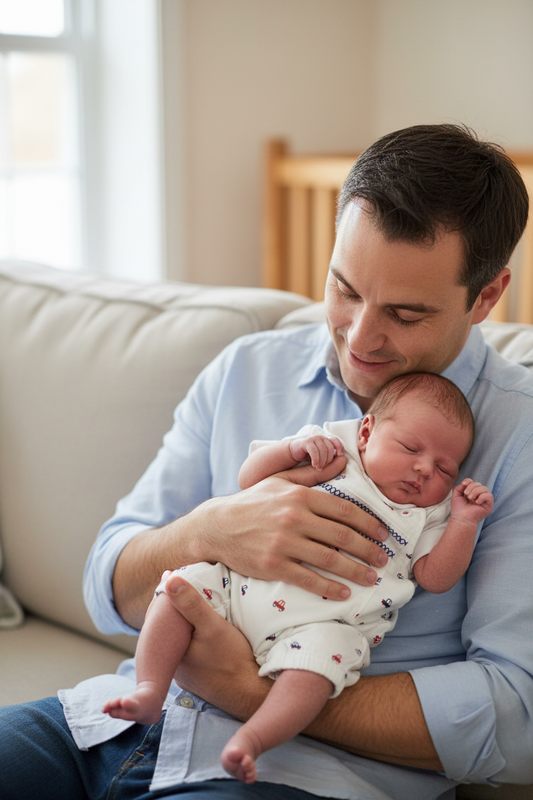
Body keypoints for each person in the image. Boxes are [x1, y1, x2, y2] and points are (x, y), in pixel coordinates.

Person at [1, 123, 532, 800]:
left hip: (305, 775)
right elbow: (107, 580)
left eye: (404, 312)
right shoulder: (244, 371)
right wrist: (207, 532)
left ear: (485, 296)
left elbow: (518, 717)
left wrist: (247, 692)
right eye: (343, 288)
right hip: (104, 727)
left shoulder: (518, 435)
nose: (360, 337)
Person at [102, 372, 494, 785]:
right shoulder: (329, 451)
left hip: (322, 626)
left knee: (318, 672)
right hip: (240, 588)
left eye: (444, 469)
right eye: (410, 447)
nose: (423, 469)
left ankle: (253, 739)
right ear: (366, 432)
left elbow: (435, 577)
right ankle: (149, 688)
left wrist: (465, 524)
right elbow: (249, 479)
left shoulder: (430, 515)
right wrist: (291, 449)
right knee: (179, 588)